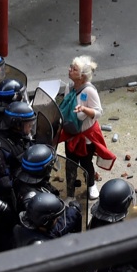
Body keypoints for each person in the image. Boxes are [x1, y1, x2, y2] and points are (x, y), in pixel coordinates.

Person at [57, 55, 115, 199]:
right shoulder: (68, 87)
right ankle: (70, 192)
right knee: (70, 164)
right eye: (71, 67)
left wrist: (84, 110)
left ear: (82, 76)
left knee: (85, 162)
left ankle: (91, 184)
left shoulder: (89, 91)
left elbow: (98, 112)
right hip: (71, 133)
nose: (69, 70)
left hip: (86, 136)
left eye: (74, 69)